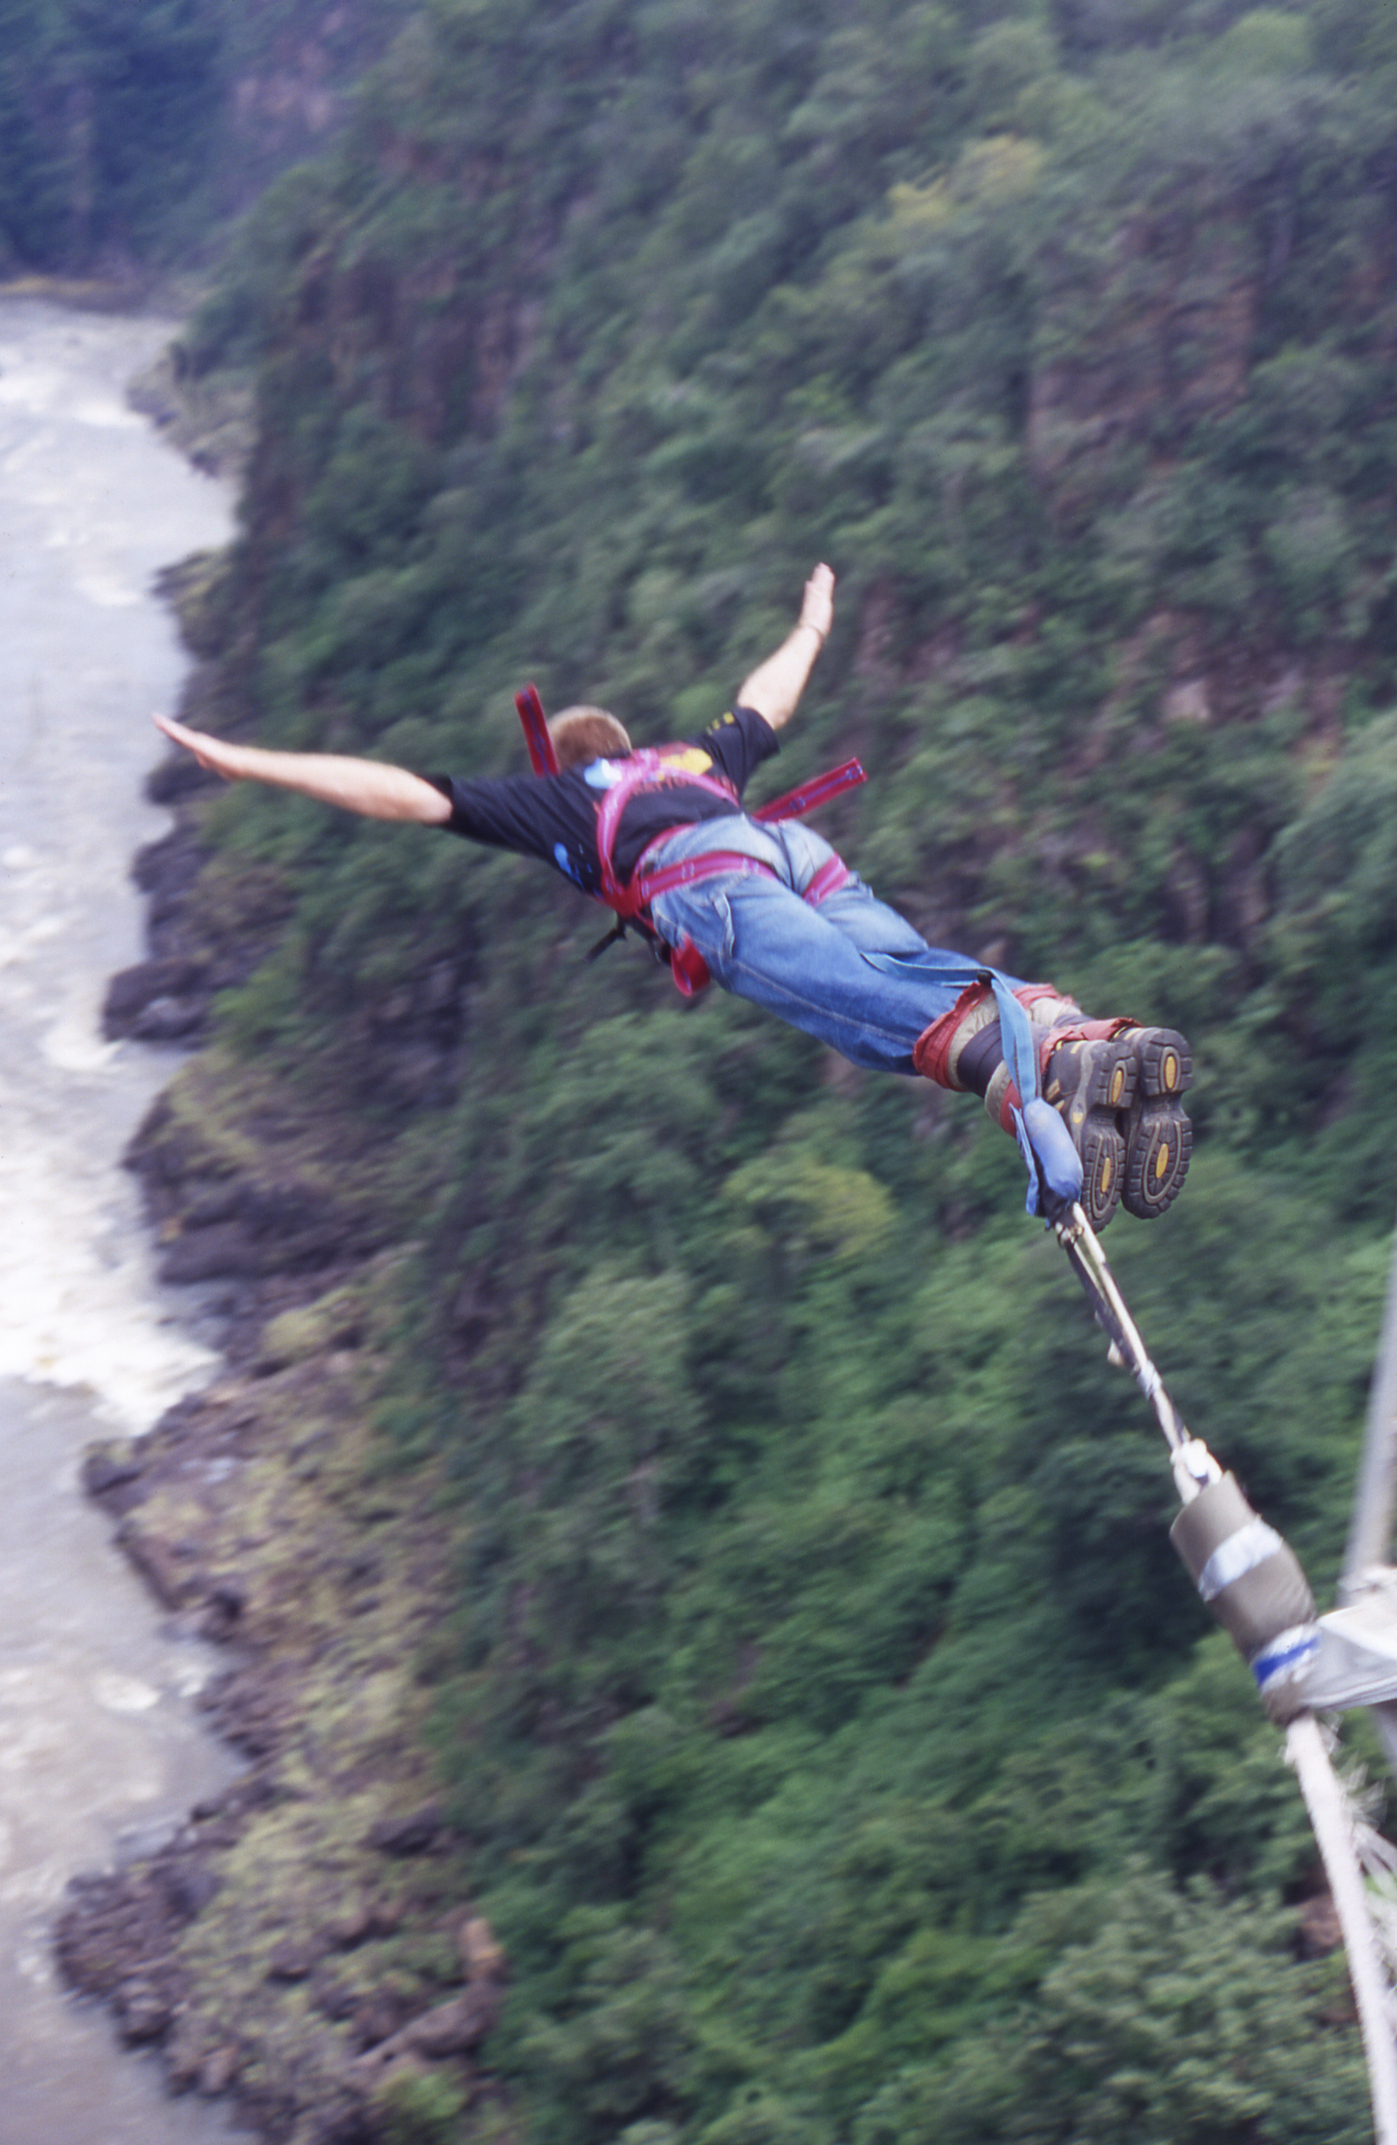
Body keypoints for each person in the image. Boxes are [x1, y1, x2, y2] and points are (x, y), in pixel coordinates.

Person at [154, 564, 1191, 1229]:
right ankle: (1063, 1030)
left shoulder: (559, 801)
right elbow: (767, 698)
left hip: (716, 893)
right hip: (784, 848)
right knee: (909, 967)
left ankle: (1035, 1076)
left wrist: (250, 763)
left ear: (563, 761)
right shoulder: (689, 757)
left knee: (872, 1014)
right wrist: (814, 624)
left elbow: (406, 795)